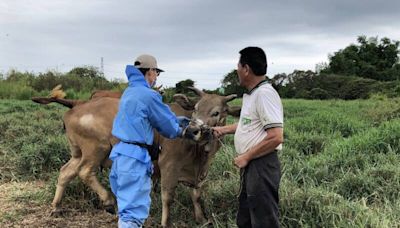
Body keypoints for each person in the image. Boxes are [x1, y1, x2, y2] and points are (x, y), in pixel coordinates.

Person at [109, 54, 190, 228]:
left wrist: (176, 119)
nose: (156, 78)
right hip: (135, 160)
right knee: (132, 215)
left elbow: (146, 117)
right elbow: (166, 127)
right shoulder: (149, 95)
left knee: (125, 208)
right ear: (150, 71)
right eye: (156, 73)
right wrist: (181, 130)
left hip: (120, 155)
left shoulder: (129, 92)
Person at [213, 47, 284, 228]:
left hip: (261, 164)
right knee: (246, 217)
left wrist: (246, 156)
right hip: (252, 164)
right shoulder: (252, 94)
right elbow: (249, 126)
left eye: (238, 65)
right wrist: (223, 129)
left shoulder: (264, 94)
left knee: (263, 219)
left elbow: (276, 137)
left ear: (246, 69)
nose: (236, 69)